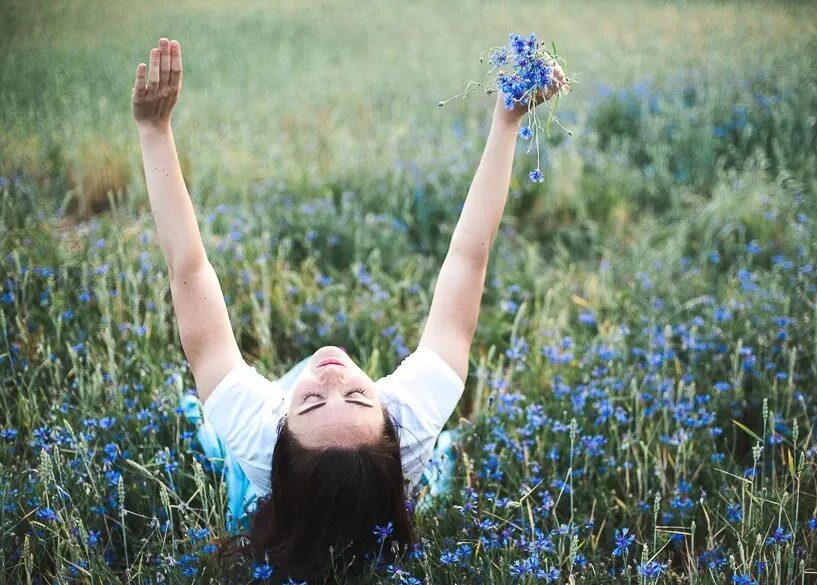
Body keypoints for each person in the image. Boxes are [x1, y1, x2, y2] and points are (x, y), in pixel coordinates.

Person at [132, 37, 568, 582]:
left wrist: (154, 131)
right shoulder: (412, 423)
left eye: (311, 402)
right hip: (386, 476)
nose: (331, 374)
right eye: (360, 396)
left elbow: (189, 270)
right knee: (423, 484)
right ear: (392, 420)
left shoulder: (255, 434)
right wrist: (507, 122)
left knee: (225, 453)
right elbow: (467, 259)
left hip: (274, 475)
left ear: (278, 432)